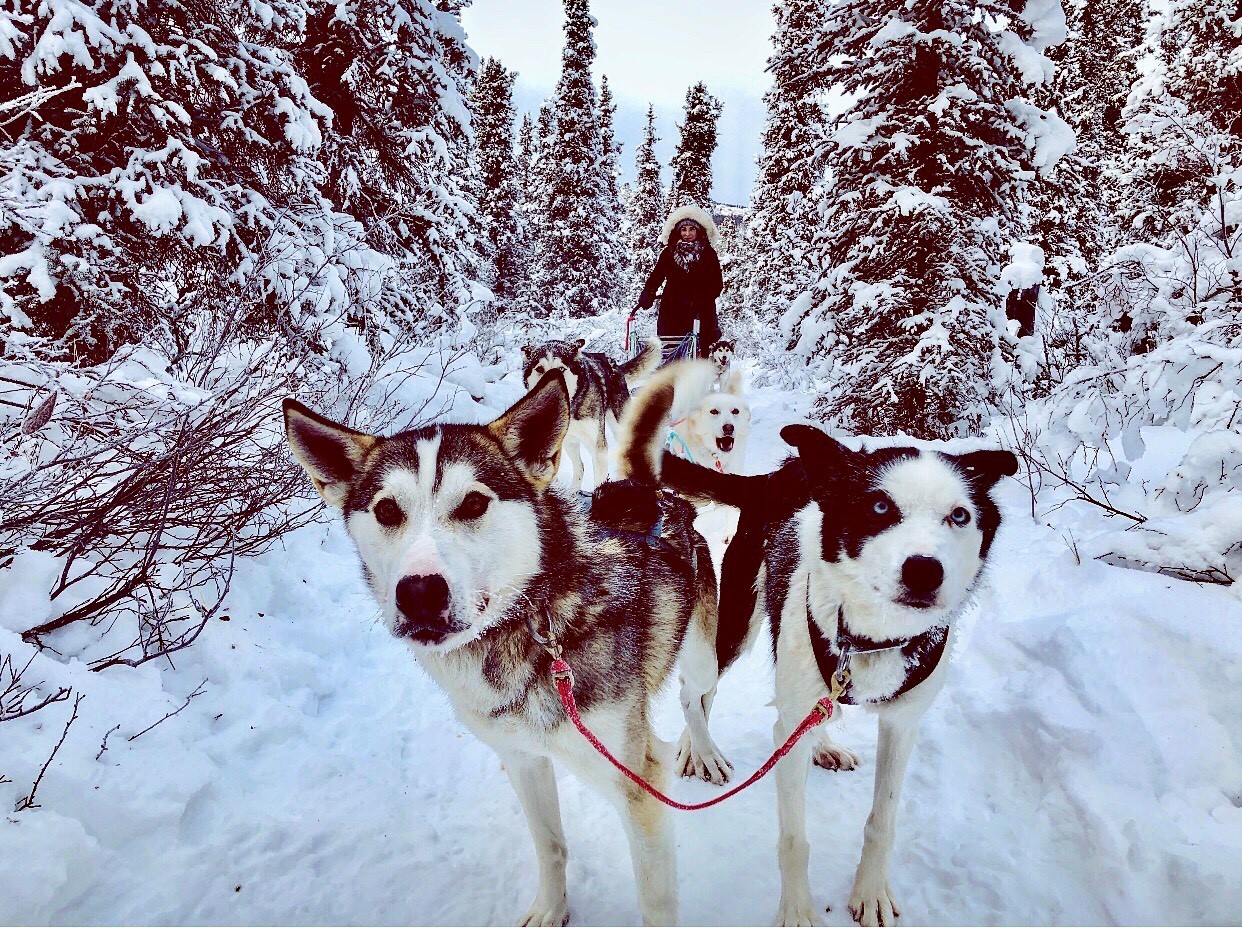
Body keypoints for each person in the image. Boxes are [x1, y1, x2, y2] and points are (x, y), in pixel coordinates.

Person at [636, 205, 723, 359]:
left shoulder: (708, 254)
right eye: (684, 229)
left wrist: (702, 298)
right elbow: (656, 277)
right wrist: (648, 293)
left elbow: (717, 284)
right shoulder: (668, 253)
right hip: (672, 311)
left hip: (701, 312)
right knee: (671, 353)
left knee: (700, 354)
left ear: (699, 231)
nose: (687, 234)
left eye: (692, 229)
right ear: (678, 231)